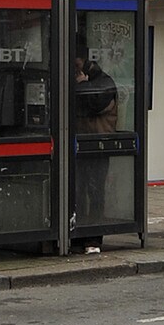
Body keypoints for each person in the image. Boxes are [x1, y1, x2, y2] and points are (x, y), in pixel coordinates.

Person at [74, 37, 120, 250]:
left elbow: (94, 104)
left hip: (99, 144)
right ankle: (79, 229)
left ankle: (94, 234)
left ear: (84, 62)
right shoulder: (89, 80)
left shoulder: (103, 83)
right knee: (79, 188)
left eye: (76, 65)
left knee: (95, 190)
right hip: (81, 143)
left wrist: (83, 86)